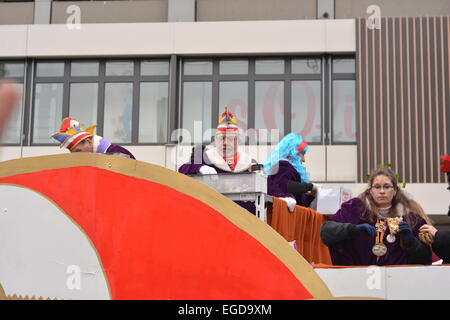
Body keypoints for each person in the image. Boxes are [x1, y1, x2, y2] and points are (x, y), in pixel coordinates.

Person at [320, 167, 432, 266]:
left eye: (387, 187)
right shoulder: (354, 209)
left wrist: (411, 242)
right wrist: (352, 229)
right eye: (377, 187)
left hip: (398, 279)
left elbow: (426, 259)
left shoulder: (410, 217)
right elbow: (326, 232)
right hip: (358, 277)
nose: (382, 191)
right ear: (370, 191)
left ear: (395, 190)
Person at [178, 108, 258, 213]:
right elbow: (182, 169)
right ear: (215, 140)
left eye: (229, 139)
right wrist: (200, 167)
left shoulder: (249, 162)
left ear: (237, 141)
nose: (225, 143)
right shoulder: (204, 156)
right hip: (215, 214)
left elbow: (270, 186)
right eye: (221, 139)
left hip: (243, 219)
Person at [263, 133, 318, 212]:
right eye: (302, 154)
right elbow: (284, 185)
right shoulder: (283, 166)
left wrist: (312, 194)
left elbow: (301, 203)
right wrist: (310, 186)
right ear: (293, 152)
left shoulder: (285, 168)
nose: (303, 160)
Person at [51, 117, 136, 159]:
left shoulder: (117, 153)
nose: (76, 156)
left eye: (78, 151)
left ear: (89, 142)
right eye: (72, 153)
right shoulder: (88, 163)